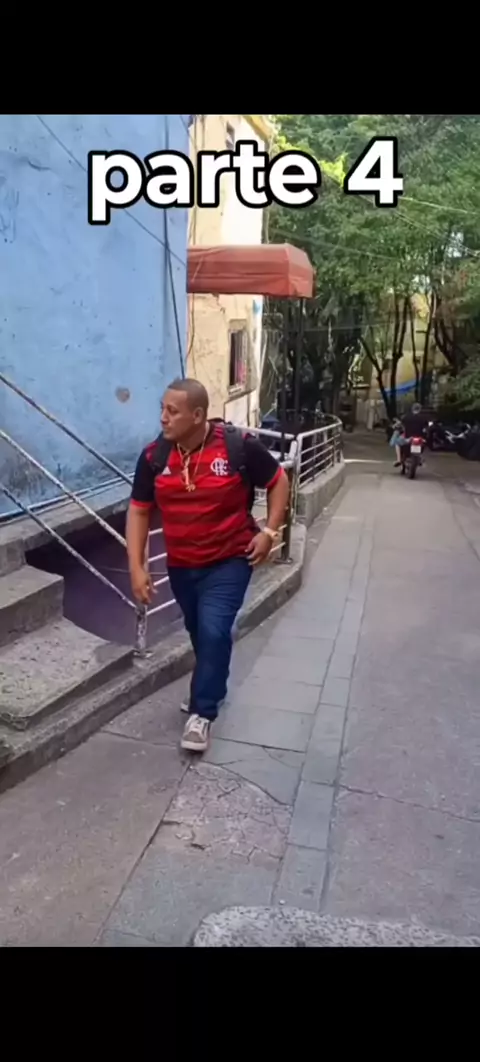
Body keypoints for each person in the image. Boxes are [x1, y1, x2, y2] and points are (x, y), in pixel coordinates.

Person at [126, 377, 290, 754]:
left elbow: (278, 480)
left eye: (173, 411)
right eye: (162, 409)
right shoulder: (153, 458)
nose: (163, 418)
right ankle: (211, 684)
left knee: (215, 630)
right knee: (200, 631)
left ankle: (202, 713)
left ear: (198, 416)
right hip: (182, 564)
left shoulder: (238, 447)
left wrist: (269, 531)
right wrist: (136, 566)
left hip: (230, 559)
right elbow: (139, 511)